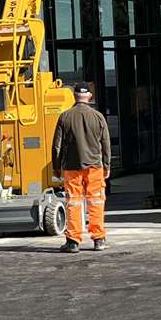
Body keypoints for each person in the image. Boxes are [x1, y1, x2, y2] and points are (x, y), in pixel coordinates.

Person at [52, 83, 111, 253]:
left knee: (74, 202)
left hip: (71, 166)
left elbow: (57, 146)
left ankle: (73, 242)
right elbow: (105, 144)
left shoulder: (65, 117)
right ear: (90, 96)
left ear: (74, 96)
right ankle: (99, 239)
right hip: (94, 166)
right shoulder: (98, 117)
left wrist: (57, 167)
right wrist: (106, 165)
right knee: (96, 201)